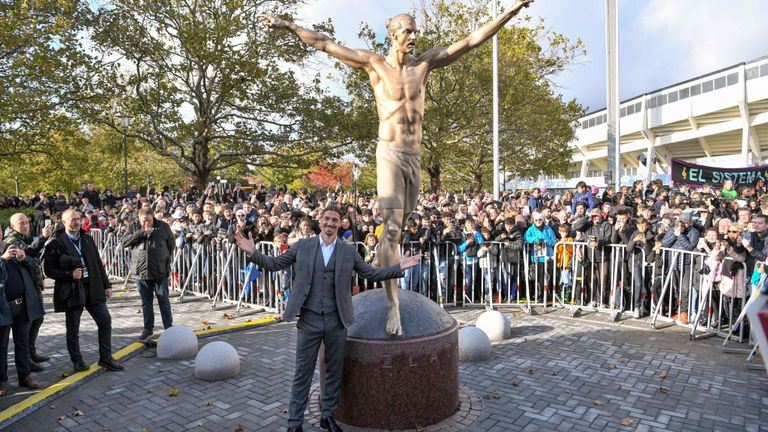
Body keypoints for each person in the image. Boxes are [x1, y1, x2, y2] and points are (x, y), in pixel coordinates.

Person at [260, 0, 534, 336]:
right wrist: (288, 26)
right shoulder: (374, 65)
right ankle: (393, 307)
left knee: (401, 226)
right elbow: (324, 43)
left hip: (414, 156)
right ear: (392, 35)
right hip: (389, 152)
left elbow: (472, 40)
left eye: (415, 31)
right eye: (407, 31)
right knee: (390, 229)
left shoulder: (425, 65)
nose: (414, 36)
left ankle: (380, 260)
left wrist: (512, 10)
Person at [234, 206, 420, 432]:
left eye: (335, 220)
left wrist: (398, 268)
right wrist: (253, 252)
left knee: (334, 371)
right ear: (319, 222)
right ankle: (295, 423)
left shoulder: (348, 251)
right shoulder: (303, 246)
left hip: (337, 320)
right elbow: (274, 265)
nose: (330, 223)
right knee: (302, 373)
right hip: (309, 320)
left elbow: (370, 273)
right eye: (327, 219)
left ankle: (327, 416)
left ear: (339, 223)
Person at [43, 209, 123, 373]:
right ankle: (77, 362)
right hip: (72, 290)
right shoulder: (56, 242)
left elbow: (98, 263)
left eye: (78, 219)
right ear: (64, 222)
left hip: (92, 288)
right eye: (72, 219)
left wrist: (107, 285)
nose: (76, 222)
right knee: (73, 329)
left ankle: (106, 359)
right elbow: (48, 270)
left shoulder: (87, 238)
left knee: (105, 321)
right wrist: (69, 274)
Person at [4, 213, 53, 369]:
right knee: (28, 324)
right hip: (23, 290)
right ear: (12, 226)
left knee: (38, 319)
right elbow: (28, 254)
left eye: (27, 222)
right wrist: (43, 238)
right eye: (21, 223)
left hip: (33, 285)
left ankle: (31, 353)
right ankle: (27, 360)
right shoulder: (11, 241)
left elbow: (35, 255)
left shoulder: (25, 237)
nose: (26, 225)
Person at [121, 208, 176, 340]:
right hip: (141, 272)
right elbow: (124, 242)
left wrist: (163, 259)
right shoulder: (133, 226)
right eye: (144, 221)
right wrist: (141, 233)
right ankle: (148, 329)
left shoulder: (163, 226)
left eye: (149, 221)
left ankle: (169, 328)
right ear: (139, 219)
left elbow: (171, 245)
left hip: (160, 271)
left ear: (153, 218)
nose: (147, 224)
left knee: (163, 300)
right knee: (146, 303)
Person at [0, 240, 45, 395]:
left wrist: (23, 257)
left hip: (22, 306)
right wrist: (2, 259)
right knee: (2, 346)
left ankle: (24, 376)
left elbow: (34, 266)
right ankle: (1, 382)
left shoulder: (12, 245)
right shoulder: (4, 254)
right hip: (3, 307)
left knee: (22, 342)